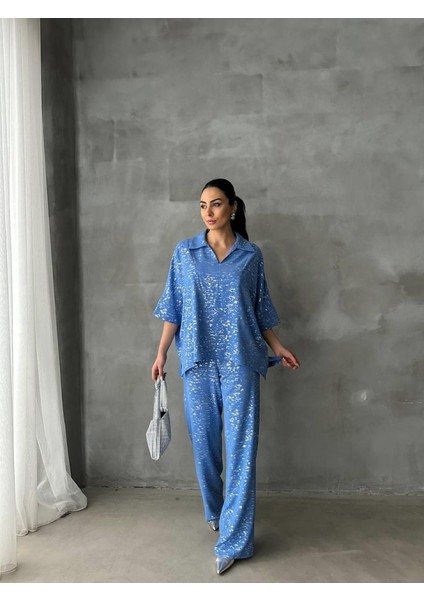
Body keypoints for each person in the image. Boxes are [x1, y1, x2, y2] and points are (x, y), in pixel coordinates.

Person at [151, 178, 300, 575]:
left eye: (216, 204)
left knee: (241, 452)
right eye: (202, 205)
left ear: (233, 207)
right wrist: (161, 352)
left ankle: (234, 540)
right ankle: (217, 511)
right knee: (204, 448)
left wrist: (278, 347)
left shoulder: (251, 256)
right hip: (197, 361)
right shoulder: (185, 253)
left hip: (242, 362)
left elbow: (260, 311)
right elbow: (173, 307)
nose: (208, 212)